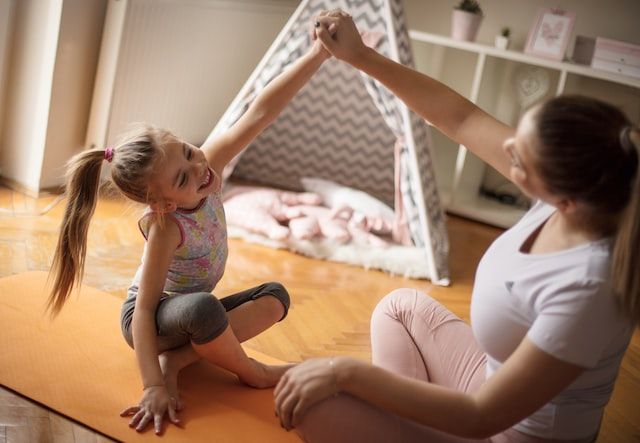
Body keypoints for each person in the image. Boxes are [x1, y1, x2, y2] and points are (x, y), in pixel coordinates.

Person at [274, 10, 640, 443]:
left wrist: (346, 373)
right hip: (485, 386)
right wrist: (360, 56)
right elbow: (460, 118)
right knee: (401, 307)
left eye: (519, 158)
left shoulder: (589, 289)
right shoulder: (581, 199)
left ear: (566, 198)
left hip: (505, 432)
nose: (507, 151)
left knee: (315, 408)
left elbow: (479, 417)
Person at [47, 39, 331, 435]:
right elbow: (144, 311)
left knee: (275, 297)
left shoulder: (208, 168)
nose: (198, 167)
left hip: (192, 315)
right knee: (203, 309)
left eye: (187, 151)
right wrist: (152, 386)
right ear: (161, 204)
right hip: (153, 320)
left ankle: (178, 360)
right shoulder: (166, 228)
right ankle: (254, 372)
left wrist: (319, 53)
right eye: (183, 177)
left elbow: (261, 112)